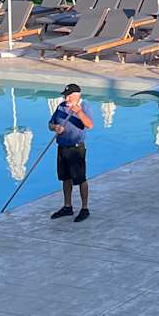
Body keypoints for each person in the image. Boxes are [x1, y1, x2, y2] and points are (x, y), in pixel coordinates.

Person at [49, 82, 94, 222]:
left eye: (68, 96)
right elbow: (50, 123)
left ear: (76, 95)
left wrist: (78, 112)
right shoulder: (61, 106)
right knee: (65, 178)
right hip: (62, 147)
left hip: (76, 148)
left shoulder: (85, 106)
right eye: (65, 96)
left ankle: (84, 208)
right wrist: (55, 127)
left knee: (80, 178)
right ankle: (67, 206)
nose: (66, 98)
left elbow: (89, 125)